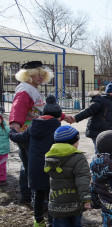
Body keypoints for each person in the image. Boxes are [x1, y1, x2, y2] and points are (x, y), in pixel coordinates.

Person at [9, 61, 74, 203]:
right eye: (37, 74)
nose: (40, 77)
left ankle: (27, 195)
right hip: (28, 133)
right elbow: (17, 109)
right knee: (32, 166)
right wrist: (15, 125)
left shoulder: (30, 89)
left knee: (27, 164)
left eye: (41, 75)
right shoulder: (25, 91)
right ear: (28, 75)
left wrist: (63, 116)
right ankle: (35, 197)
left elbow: (42, 109)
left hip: (30, 132)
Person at [9, 96, 63, 227]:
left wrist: (11, 133)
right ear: (58, 116)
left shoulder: (33, 126)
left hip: (35, 169)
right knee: (52, 197)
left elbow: (19, 138)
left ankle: (38, 223)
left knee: (38, 194)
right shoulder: (58, 128)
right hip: (52, 168)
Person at [44, 125, 91, 227]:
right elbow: (83, 179)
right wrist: (86, 198)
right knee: (75, 225)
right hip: (75, 202)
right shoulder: (78, 158)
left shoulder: (50, 156)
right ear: (73, 142)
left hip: (57, 202)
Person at [73, 81, 112, 152]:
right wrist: (75, 118)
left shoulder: (110, 103)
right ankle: (96, 163)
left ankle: (101, 162)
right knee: (99, 152)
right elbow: (89, 110)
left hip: (103, 132)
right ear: (108, 92)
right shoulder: (102, 101)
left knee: (103, 152)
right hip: (97, 131)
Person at [0, 107, 9, 186]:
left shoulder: (6, 129)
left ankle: (2, 179)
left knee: (2, 165)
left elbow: (12, 134)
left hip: (3, 151)